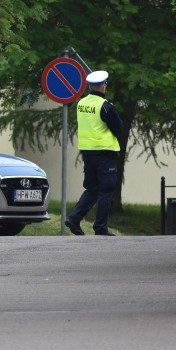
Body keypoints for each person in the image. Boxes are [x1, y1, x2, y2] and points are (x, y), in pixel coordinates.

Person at [65, 70, 123, 236]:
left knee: (91, 189)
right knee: (106, 190)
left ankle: (74, 218)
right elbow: (118, 128)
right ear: (104, 86)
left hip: (87, 152)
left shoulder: (81, 103)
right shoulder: (105, 106)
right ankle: (100, 228)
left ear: (90, 86)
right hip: (105, 153)